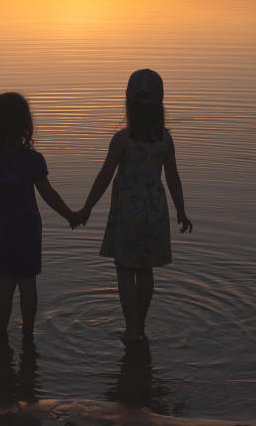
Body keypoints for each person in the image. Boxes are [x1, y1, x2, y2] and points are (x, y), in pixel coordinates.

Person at [77, 69, 192, 343]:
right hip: (155, 212)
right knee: (146, 269)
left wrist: (87, 208)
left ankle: (130, 330)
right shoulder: (165, 139)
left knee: (126, 269)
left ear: (128, 104)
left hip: (128, 214)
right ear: (159, 106)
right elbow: (173, 178)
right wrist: (181, 210)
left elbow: (105, 176)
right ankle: (141, 327)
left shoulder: (122, 139)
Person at [0, 92, 78, 342]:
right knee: (28, 283)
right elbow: (48, 193)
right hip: (28, 230)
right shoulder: (32, 160)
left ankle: (0, 336)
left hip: (1, 230)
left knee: (4, 286)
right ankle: (28, 334)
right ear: (25, 124)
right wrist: (69, 214)